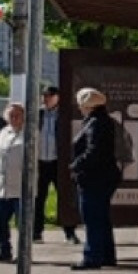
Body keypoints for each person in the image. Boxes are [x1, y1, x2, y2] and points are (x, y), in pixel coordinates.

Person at [70, 86, 122, 270]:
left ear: (88, 105)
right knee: (101, 216)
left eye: (81, 104)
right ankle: (106, 255)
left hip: (94, 177)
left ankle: (92, 256)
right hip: (104, 176)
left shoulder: (95, 123)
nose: (79, 107)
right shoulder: (103, 120)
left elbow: (94, 151)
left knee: (92, 217)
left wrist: (76, 165)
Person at [34, 85, 77, 243]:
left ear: (57, 97)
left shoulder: (63, 114)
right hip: (40, 162)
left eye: (49, 96)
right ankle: (36, 232)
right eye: (44, 95)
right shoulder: (38, 114)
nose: (46, 99)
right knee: (38, 198)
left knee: (64, 197)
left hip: (58, 162)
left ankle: (70, 232)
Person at [0, 102, 25, 264]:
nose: (14, 118)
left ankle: (23, 254)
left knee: (22, 224)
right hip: (2, 186)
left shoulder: (29, 134)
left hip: (21, 187)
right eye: (11, 115)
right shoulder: (3, 132)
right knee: (0, 221)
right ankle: (4, 251)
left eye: (17, 115)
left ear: (23, 117)